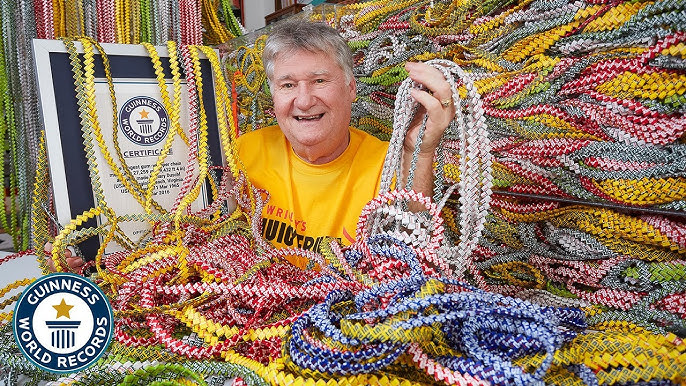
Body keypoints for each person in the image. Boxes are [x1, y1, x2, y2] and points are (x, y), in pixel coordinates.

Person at [46, 18, 455, 271]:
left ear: (350, 89)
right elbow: (188, 228)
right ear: (275, 96)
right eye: (288, 85)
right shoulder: (240, 153)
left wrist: (421, 151)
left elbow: (416, 250)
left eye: (320, 81)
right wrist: (102, 255)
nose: (304, 99)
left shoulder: (389, 162)